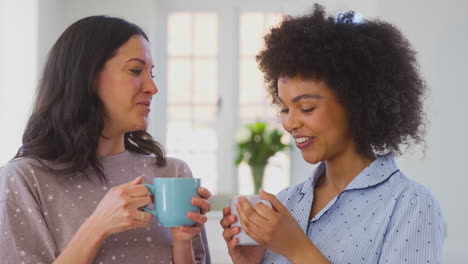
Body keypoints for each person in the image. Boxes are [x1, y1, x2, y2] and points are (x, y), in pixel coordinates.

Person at [220, 4, 444, 264]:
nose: (290, 123)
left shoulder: (411, 205)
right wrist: (250, 262)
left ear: (355, 103)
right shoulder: (287, 201)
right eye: (284, 108)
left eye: (306, 108)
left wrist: (297, 249)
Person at [0, 16, 211, 264]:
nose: (152, 87)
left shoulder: (173, 174)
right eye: (135, 70)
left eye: (151, 73)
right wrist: (96, 227)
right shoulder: (24, 179)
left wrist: (182, 241)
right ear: (88, 77)